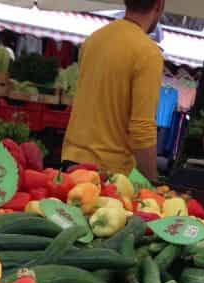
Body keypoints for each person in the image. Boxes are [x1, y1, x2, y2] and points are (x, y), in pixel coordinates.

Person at [61, 0, 165, 180]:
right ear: (159, 4)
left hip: (70, 162)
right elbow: (142, 129)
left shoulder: (94, 39)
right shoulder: (148, 53)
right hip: (105, 175)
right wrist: (154, 183)